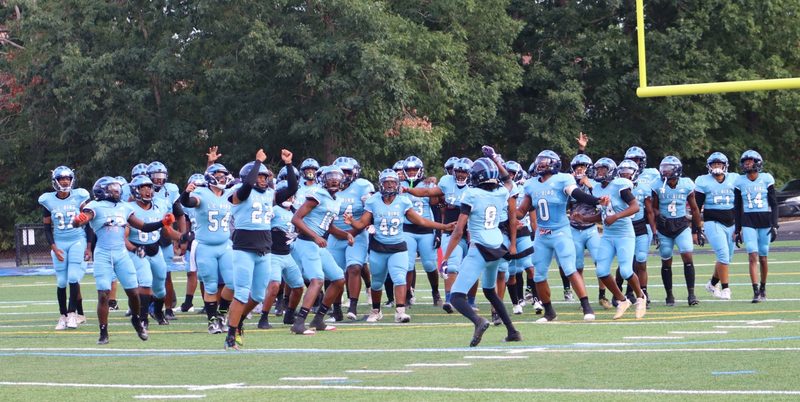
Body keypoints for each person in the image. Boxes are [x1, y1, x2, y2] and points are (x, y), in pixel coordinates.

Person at [72, 176, 174, 344]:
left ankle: (136, 319)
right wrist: (77, 221)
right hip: (103, 254)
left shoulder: (124, 207)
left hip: (121, 254)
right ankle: (103, 332)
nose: (116, 191)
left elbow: (143, 226)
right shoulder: (94, 206)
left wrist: (162, 222)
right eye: (112, 189)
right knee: (103, 295)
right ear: (102, 190)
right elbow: (81, 219)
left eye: (117, 188)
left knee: (134, 293)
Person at [345, 169, 454, 323]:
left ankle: (400, 312)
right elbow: (362, 224)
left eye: (392, 182)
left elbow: (421, 221)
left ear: (397, 184)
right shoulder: (373, 201)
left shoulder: (403, 201)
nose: (389, 185)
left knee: (399, 278)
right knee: (376, 282)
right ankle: (376, 311)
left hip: (398, 246)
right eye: (386, 182)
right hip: (379, 247)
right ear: (381, 184)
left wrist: (443, 227)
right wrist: (352, 222)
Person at [442, 152, 521, 346]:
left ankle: (478, 321)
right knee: (489, 291)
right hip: (496, 247)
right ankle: (512, 331)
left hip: (479, 248)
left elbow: (459, 230)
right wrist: (495, 159)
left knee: (457, 297)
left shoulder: (472, 194)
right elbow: (508, 179)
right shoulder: (502, 192)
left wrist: (446, 257)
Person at [517, 150, 606, 322]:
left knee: (570, 268)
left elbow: (576, 194)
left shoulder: (563, 179)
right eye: (539, 162)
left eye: (545, 162)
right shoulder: (531, 184)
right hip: (542, 236)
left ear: (554, 164)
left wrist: (596, 200)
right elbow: (521, 211)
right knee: (539, 275)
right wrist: (507, 212)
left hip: (560, 232)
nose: (541, 164)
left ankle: (586, 307)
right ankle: (549, 312)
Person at [223, 148, 297, 350]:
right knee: (241, 293)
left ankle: (237, 322)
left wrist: (289, 165)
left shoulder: (270, 195)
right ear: (251, 177)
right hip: (244, 249)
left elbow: (291, 188)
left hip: (264, 249)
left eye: (266, 177)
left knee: (257, 296)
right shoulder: (237, 194)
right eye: (261, 177)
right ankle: (231, 333)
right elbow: (246, 188)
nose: (264, 180)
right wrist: (257, 163)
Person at [290, 166, 354, 335]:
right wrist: (315, 237)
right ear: (323, 179)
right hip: (306, 243)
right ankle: (299, 323)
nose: (334, 180)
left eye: (337, 178)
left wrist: (345, 234)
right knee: (317, 280)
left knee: (339, 279)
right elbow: (296, 218)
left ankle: (318, 319)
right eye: (330, 177)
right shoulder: (317, 195)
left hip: (318, 244)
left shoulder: (336, 200)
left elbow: (328, 225)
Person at [580, 158, 647, 319]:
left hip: (624, 233)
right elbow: (603, 215)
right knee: (601, 271)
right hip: (608, 235)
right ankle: (622, 300)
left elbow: (635, 207)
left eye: (602, 170)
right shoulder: (596, 189)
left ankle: (640, 297)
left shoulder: (619, 185)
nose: (599, 173)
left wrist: (616, 217)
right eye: (597, 170)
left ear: (610, 170)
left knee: (625, 270)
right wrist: (584, 219)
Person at [179, 163, 235, 334]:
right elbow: (188, 202)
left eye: (224, 175)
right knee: (210, 286)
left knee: (233, 282)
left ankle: (222, 314)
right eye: (218, 175)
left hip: (226, 245)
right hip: (205, 246)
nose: (222, 178)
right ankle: (212, 321)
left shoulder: (230, 194)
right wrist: (186, 192)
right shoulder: (201, 193)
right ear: (210, 177)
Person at [39, 166, 91, 330]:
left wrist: (89, 247)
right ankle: (62, 316)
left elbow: (88, 223)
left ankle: (72, 314)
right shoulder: (47, 200)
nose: (65, 181)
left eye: (67, 178)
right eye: (61, 178)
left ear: (72, 180)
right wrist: (53, 247)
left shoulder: (80, 196)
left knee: (73, 277)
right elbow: (47, 227)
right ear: (55, 181)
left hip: (77, 240)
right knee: (61, 281)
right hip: (60, 242)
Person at [125, 175, 179, 327]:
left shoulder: (160, 205)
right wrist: (133, 249)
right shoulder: (129, 208)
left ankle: (158, 312)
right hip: (139, 250)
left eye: (149, 187)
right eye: (143, 188)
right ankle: (143, 318)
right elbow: (125, 236)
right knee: (145, 282)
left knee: (160, 288)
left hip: (156, 249)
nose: (148, 191)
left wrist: (181, 236)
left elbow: (167, 230)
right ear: (136, 191)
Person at [650, 156, 703, 306]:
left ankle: (691, 294)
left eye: (669, 168)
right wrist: (658, 215)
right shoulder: (657, 185)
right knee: (666, 258)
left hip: (681, 224)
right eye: (663, 168)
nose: (665, 171)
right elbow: (653, 206)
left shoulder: (686, 184)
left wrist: (697, 228)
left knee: (687, 253)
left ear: (677, 170)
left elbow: (694, 208)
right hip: (664, 226)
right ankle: (669, 295)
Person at [329, 157, 374, 321]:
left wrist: (352, 232)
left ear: (354, 172)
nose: (343, 175)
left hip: (357, 234)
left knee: (354, 268)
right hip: (334, 234)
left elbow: (369, 213)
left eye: (347, 171)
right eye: (340, 172)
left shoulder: (362, 186)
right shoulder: (328, 187)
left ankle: (353, 307)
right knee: (333, 274)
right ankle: (336, 310)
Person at [734, 150, 778, 303]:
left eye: (750, 161)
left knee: (763, 257)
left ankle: (763, 287)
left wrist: (775, 225)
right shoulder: (739, 181)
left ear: (757, 162)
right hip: (748, 220)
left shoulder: (766, 178)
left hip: (765, 220)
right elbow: (737, 206)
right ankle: (755, 291)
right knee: (752, 256)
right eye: (745, 161)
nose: (747, 164)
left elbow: (774, 204)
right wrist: (737, 229)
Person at [695, 152, 737, 300]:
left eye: (719, 164)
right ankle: (725, 288)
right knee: (723, 255)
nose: (717, 166)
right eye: (714, 164)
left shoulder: (735, 179)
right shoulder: (702, 181)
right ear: (709, 166)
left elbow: (740, 204)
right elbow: (697, 206)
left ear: (725, 165)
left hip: (732, 222)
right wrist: (696, 229)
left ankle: (712, 284)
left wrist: (740, 226)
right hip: (712, 221)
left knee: (726, 258)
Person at [400, 156, 441, 307]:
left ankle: (435, 292)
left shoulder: (428, 185)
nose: (411, 172)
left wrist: (438, 232)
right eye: (409, 169)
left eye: (414, 169)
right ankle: (406, 295)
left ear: (420, 170)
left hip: (426, 229)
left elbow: (435, 208)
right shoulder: (399, 185)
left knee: (430, 264)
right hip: (407, 228)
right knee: (408, 265)